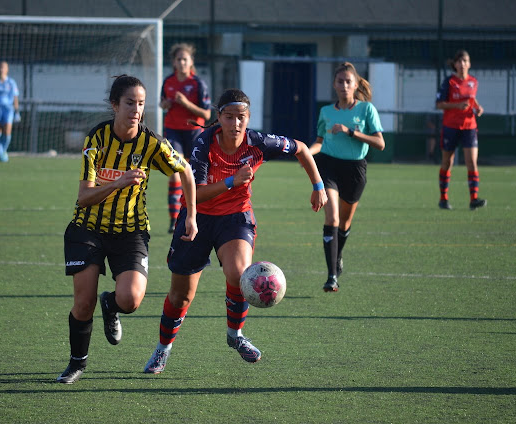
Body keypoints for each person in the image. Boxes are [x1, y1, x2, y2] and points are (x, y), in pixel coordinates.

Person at [143, 88, 328, 374]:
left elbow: (301, 148)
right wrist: (231, 180)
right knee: (181, 296)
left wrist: (318, 187)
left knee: (240, 273)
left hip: (235, 218)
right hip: (196, 217)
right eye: (229, 117)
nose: (236, 124)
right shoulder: (203, 143)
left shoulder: (258, 142)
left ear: (248, 118)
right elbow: (194, 194)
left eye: (241, 117)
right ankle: (162, 349)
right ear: (219, 117)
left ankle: (235, 335)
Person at [56, 75, 198, 384]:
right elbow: (83, 197)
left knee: (131, 299)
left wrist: (191, 216)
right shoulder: (97, 139)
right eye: (130, 103)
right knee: (83, 302)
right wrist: (119, 181)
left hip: (131, 231)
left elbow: (185, 170)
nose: (136, 109)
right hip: (88, 228)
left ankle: (111, 305)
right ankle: (77, 363)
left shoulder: (152, 143)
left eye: (141, 104)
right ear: (115, 105)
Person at [308, 62, 386, 293]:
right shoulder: (326, 111)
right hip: (328, 166)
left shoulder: (366, 110)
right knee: (331, 218)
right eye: (340, 81)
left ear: (355, 84)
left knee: (344, 223)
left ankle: (337, 255)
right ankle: (332, 275)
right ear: (334, 84)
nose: (343, 85)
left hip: (355, 170)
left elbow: (380, 143)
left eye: (348, 82)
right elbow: (319, 142)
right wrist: (304, 153)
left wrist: (351, 132)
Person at [160, 43, 212, 233]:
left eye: (185, 59)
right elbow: (162, 102)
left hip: (193, 133)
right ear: (173, 62)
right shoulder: (168, 81)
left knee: (194, 177)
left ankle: (196, 216)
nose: (181, 62)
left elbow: (206, 115)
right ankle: (174, 221)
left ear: (190, 62)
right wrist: (165, 104)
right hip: (173, 132)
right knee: (175, 173)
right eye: (178, 59)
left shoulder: (198, 84)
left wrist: (186, 103)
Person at [436, 49, 486, 211]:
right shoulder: (449, 82)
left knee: (471, 162)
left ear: (469, 64)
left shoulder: (473, 81)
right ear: (455, 64)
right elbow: (439, 104)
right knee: (447, 162)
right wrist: (456, 105)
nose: (462, 64)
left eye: (465, 61)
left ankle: (474, 199)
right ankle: (443, 199)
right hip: (450, 127)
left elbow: (472, 99)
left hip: (469, 127)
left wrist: (478, 108)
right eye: (459, 61)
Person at [0, 61, 20, 162]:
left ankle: (3, 151)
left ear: (7, 70)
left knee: (7, 131)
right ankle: (1, 152)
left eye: (3, 68)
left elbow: (15, 97)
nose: (1, 70)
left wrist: (17, 111)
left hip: (8, 110)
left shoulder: (11, 82)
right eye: (0, 68)